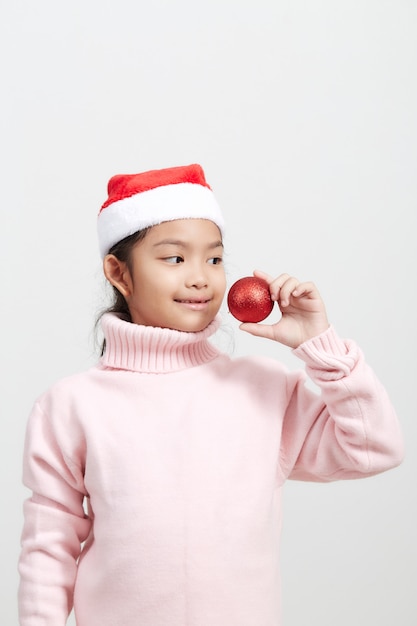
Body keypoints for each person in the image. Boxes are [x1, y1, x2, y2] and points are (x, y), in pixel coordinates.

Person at [18, 164, 404, 626]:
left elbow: (374, 449)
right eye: (175, 259)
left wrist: (320, 344)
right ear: (119, 273)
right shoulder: (71, 405)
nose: (201, 278)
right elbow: (49, 546)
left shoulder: (262, 388)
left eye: (215, 259)